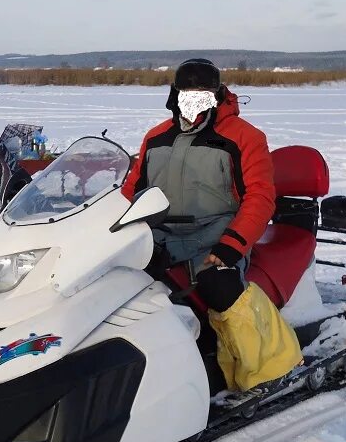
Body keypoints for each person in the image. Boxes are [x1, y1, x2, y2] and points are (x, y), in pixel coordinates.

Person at [121, 58, 301, 392]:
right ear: (174, 94)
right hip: (160, 237)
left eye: (202, 92)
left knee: (219, 287)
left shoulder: (244, 137)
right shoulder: (156, 138)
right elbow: (129, 193)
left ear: (217, 94)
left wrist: (232, 244)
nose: (193, 100)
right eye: (187, 92)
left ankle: (266, 369)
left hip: (216, 239)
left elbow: (260, 197)